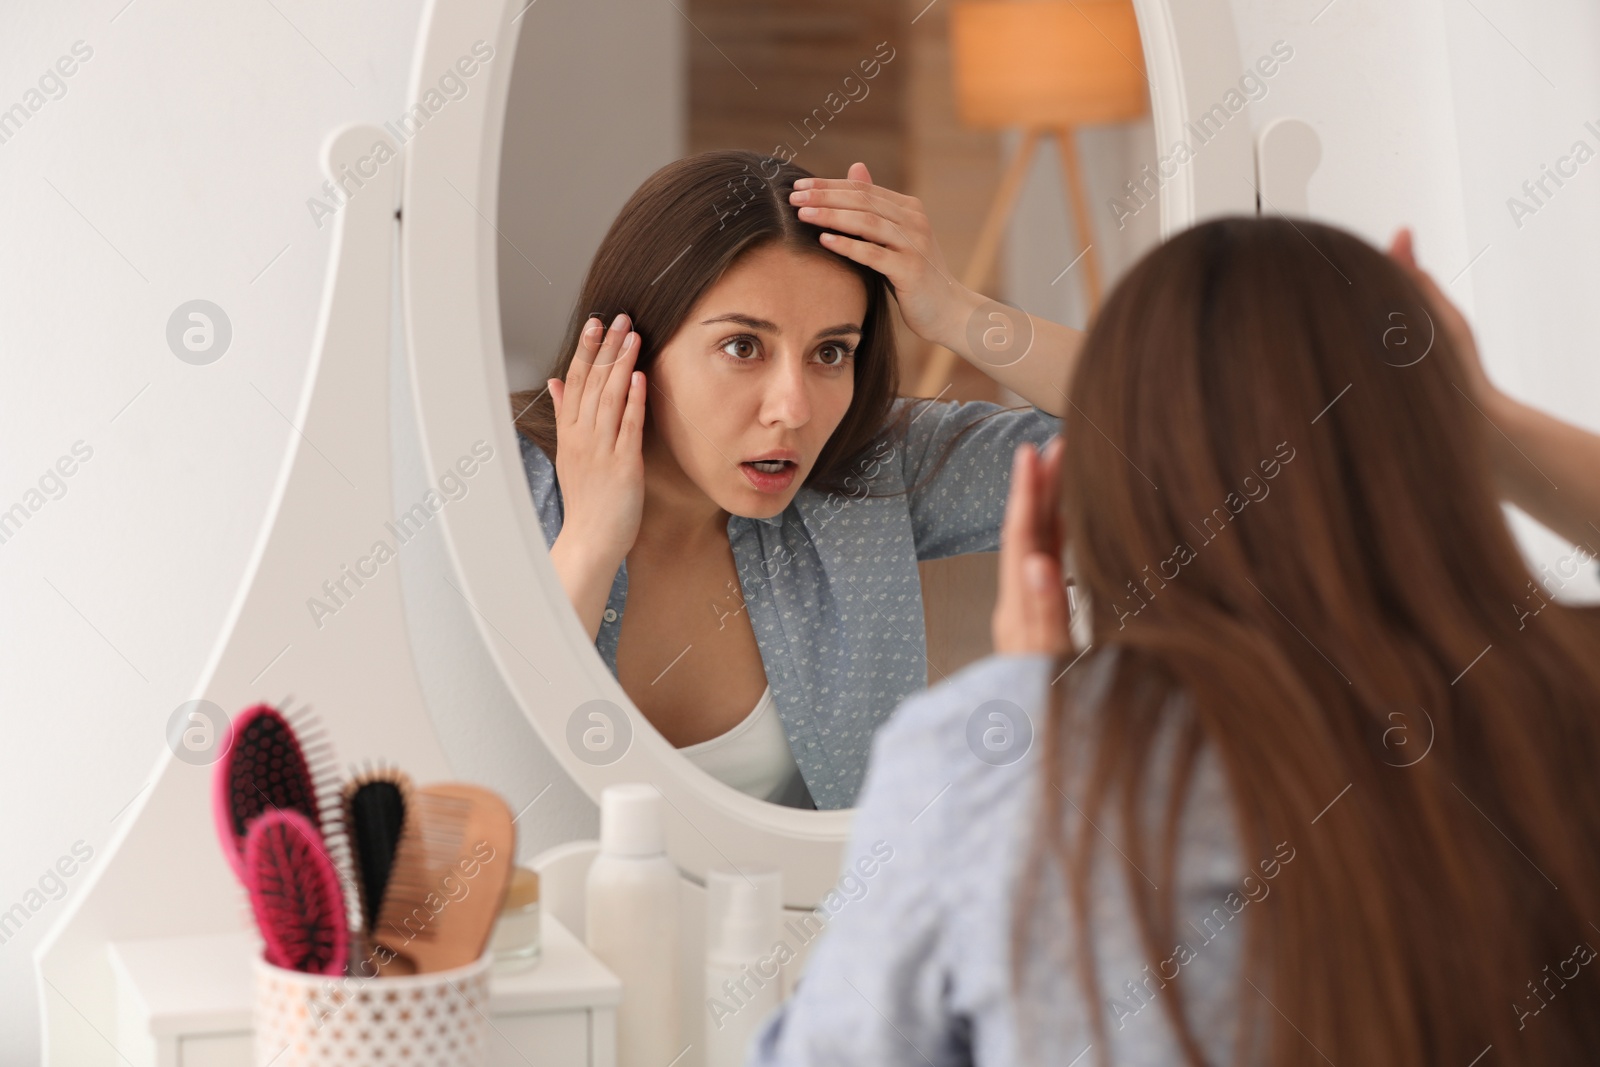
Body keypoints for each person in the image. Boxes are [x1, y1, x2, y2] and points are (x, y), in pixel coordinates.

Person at [750, 216, 1600, 1065]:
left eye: (832, 352)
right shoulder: (1562, 702)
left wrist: (1025, 725)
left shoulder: (984, 758)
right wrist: (1478, 416)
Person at [512, 151, 1081, 810]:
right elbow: (477, 767)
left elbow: (1160, 438)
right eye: (744, 347)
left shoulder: (866, 472)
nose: (794, 407)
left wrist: (956, 311)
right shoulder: (496, 487)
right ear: (631, 343)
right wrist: (587, 543)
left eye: (830, 352)